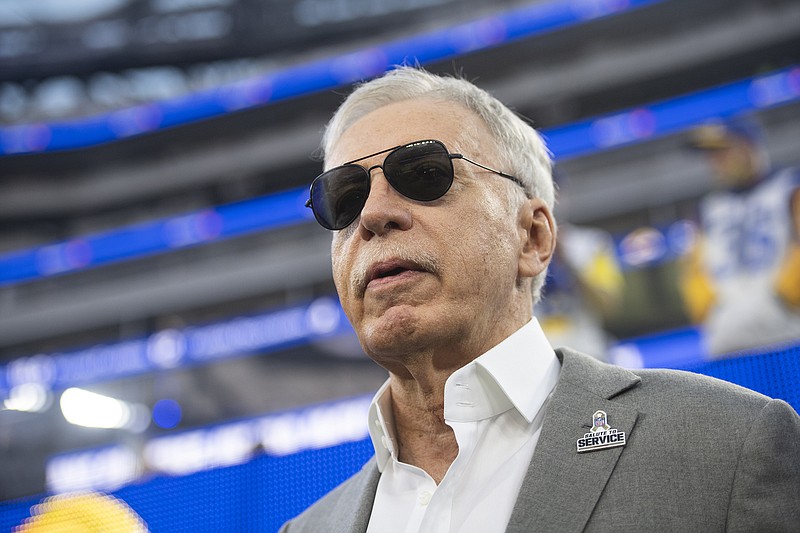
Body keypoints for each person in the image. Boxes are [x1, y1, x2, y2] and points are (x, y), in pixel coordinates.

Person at [282, 67, 800, 532]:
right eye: (344, 199)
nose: (372, 215)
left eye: (424, 176)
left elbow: (613, 301)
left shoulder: (728, 444)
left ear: (532, 238)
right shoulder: (306, 529)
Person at [680, 117, 800, 358]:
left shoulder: (790, 188)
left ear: (749, 147)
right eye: (711, 156)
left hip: (788, 329)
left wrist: (783, 298)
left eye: (723, 152)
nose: (715, 162)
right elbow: (694, 271)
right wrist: (711, 309)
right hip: (727, 337)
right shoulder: (708, 209)